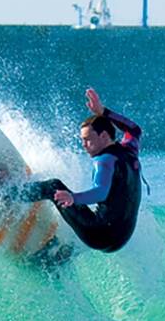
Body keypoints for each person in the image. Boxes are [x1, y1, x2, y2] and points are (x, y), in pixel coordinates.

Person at [28, 88, 143, 253]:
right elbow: (134, 129)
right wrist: (103, 112)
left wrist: (73, 198)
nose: (83, 145)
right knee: (82, 220)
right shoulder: (129, 150)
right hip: (122, 237)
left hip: (99, 234)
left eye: (87, 140)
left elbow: (100, 193)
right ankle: (58, 256)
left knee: (53, 186)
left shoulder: (104, 161)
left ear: (104, 136)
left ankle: (6, 193)